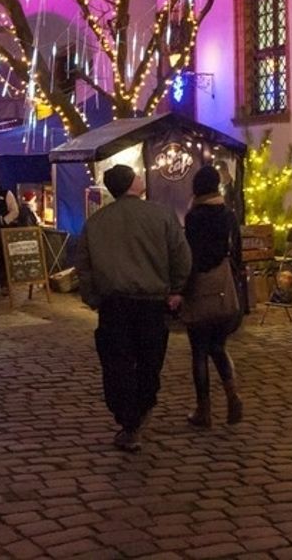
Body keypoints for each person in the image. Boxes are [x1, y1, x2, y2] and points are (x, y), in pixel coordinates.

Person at [77, 165, 191, 453]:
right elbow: (181, 255)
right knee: (149, 362)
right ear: (132, 183)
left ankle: (129, 420)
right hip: (152, 304)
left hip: (114, 305)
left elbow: (84, 267)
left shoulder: (97, 222)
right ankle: (140, 411)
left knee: (118, 363)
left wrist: (94, 298)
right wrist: (176, 289)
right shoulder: (162, 215)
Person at [182, 165, 244, 428]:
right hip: (224, 291)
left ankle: (204, 410)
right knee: (218, 347)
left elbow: (190, 257)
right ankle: (232, 395)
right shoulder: (228, 215)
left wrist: (181, 289)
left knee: (199, 352)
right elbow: (238, 254)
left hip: (200, 288)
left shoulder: (194, 216)